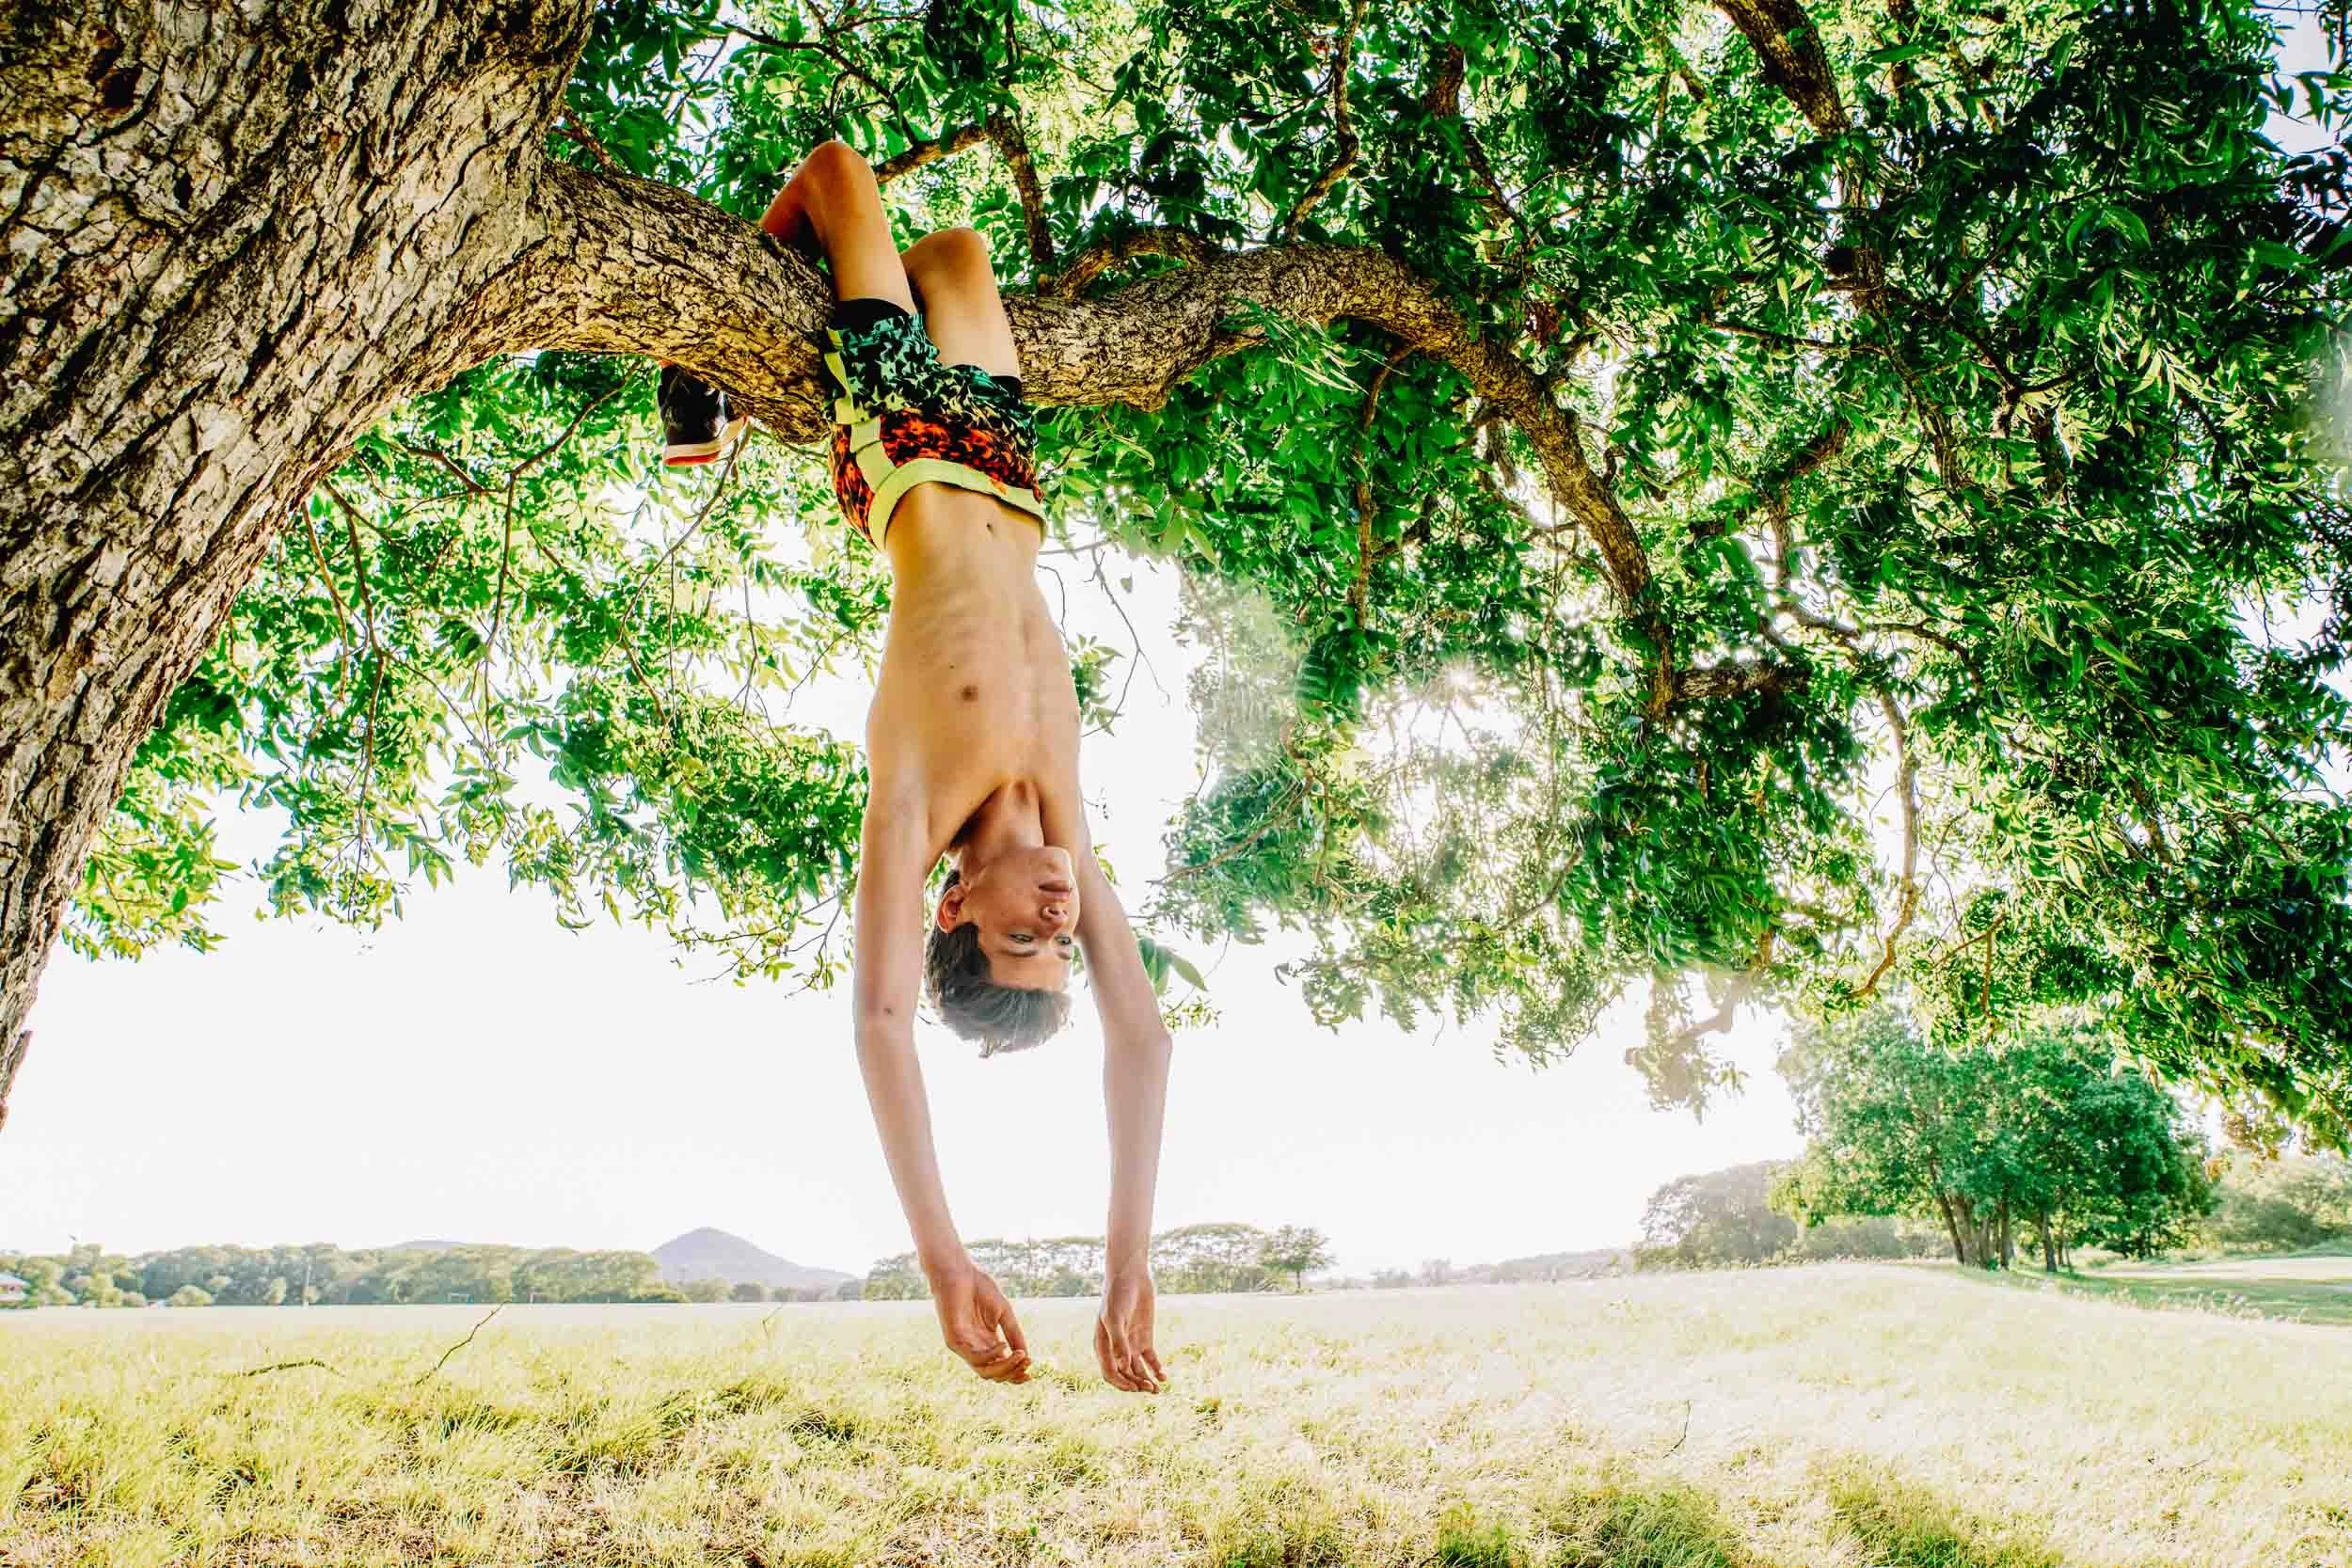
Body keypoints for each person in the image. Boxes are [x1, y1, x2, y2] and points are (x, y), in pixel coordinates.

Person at [660, 141, 1172, 1393]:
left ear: (956, 909)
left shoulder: (914, 809)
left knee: (839, 178)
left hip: (898, 448)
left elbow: (883, 1022)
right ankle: (764, 315)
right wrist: (1127, 1265)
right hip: (1002, 468)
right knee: (960, 258)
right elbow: (1146, 1044)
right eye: (1065, 948)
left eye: (1021, 943)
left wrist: (943, 1260)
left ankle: (694, 361)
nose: (1061, 920)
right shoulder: (1062, 816)